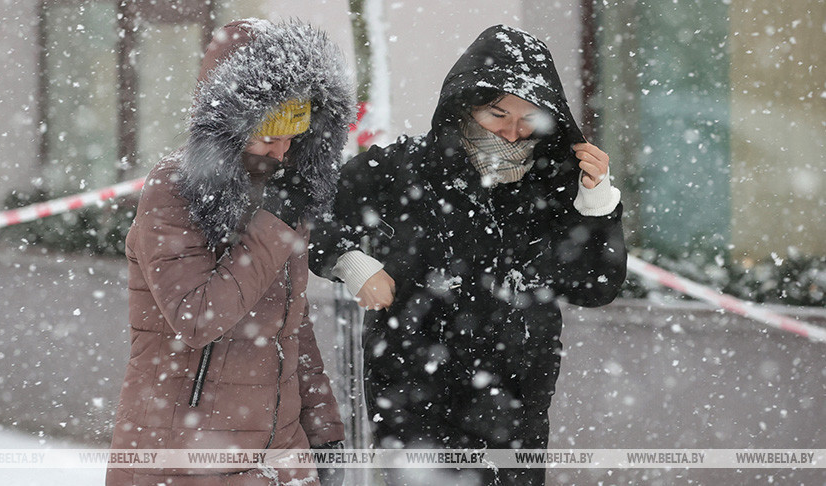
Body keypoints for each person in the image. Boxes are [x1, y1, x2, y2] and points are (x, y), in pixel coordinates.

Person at [311, 24, 627, 485]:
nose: (513, 134)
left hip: (517, 403)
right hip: (411, 391)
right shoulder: (403, 169)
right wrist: (351, 263)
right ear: (464, 107)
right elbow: (311, 212)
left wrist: (597, 205)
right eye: (497, 116)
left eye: (528, 121)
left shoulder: (555, 184)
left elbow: (596, 286)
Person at [107, 19, 354, 486]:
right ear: (228, 126)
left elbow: (291, 324)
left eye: (293, 138)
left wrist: (324, 431)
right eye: (267, 137)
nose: (281, 154)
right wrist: (275, 223)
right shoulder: (174, 189)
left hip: (280, 458)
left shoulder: (283, 193)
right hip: (186, 454)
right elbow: (197, 316)